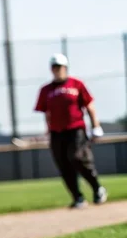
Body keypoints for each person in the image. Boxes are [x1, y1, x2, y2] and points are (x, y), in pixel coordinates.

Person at [34, 54, 107, 209]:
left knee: (78, 158)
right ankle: (78, 197)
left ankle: (97, 188)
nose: (57, 70)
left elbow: (89, 106)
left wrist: (96, 126)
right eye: (54, 67)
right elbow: (47, 114)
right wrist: (48, 131)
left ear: (65, 68)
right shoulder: (46, 90)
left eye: (60, 67)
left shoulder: (76, 84)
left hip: (76, 129)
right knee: (63, 164)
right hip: (56, 132)